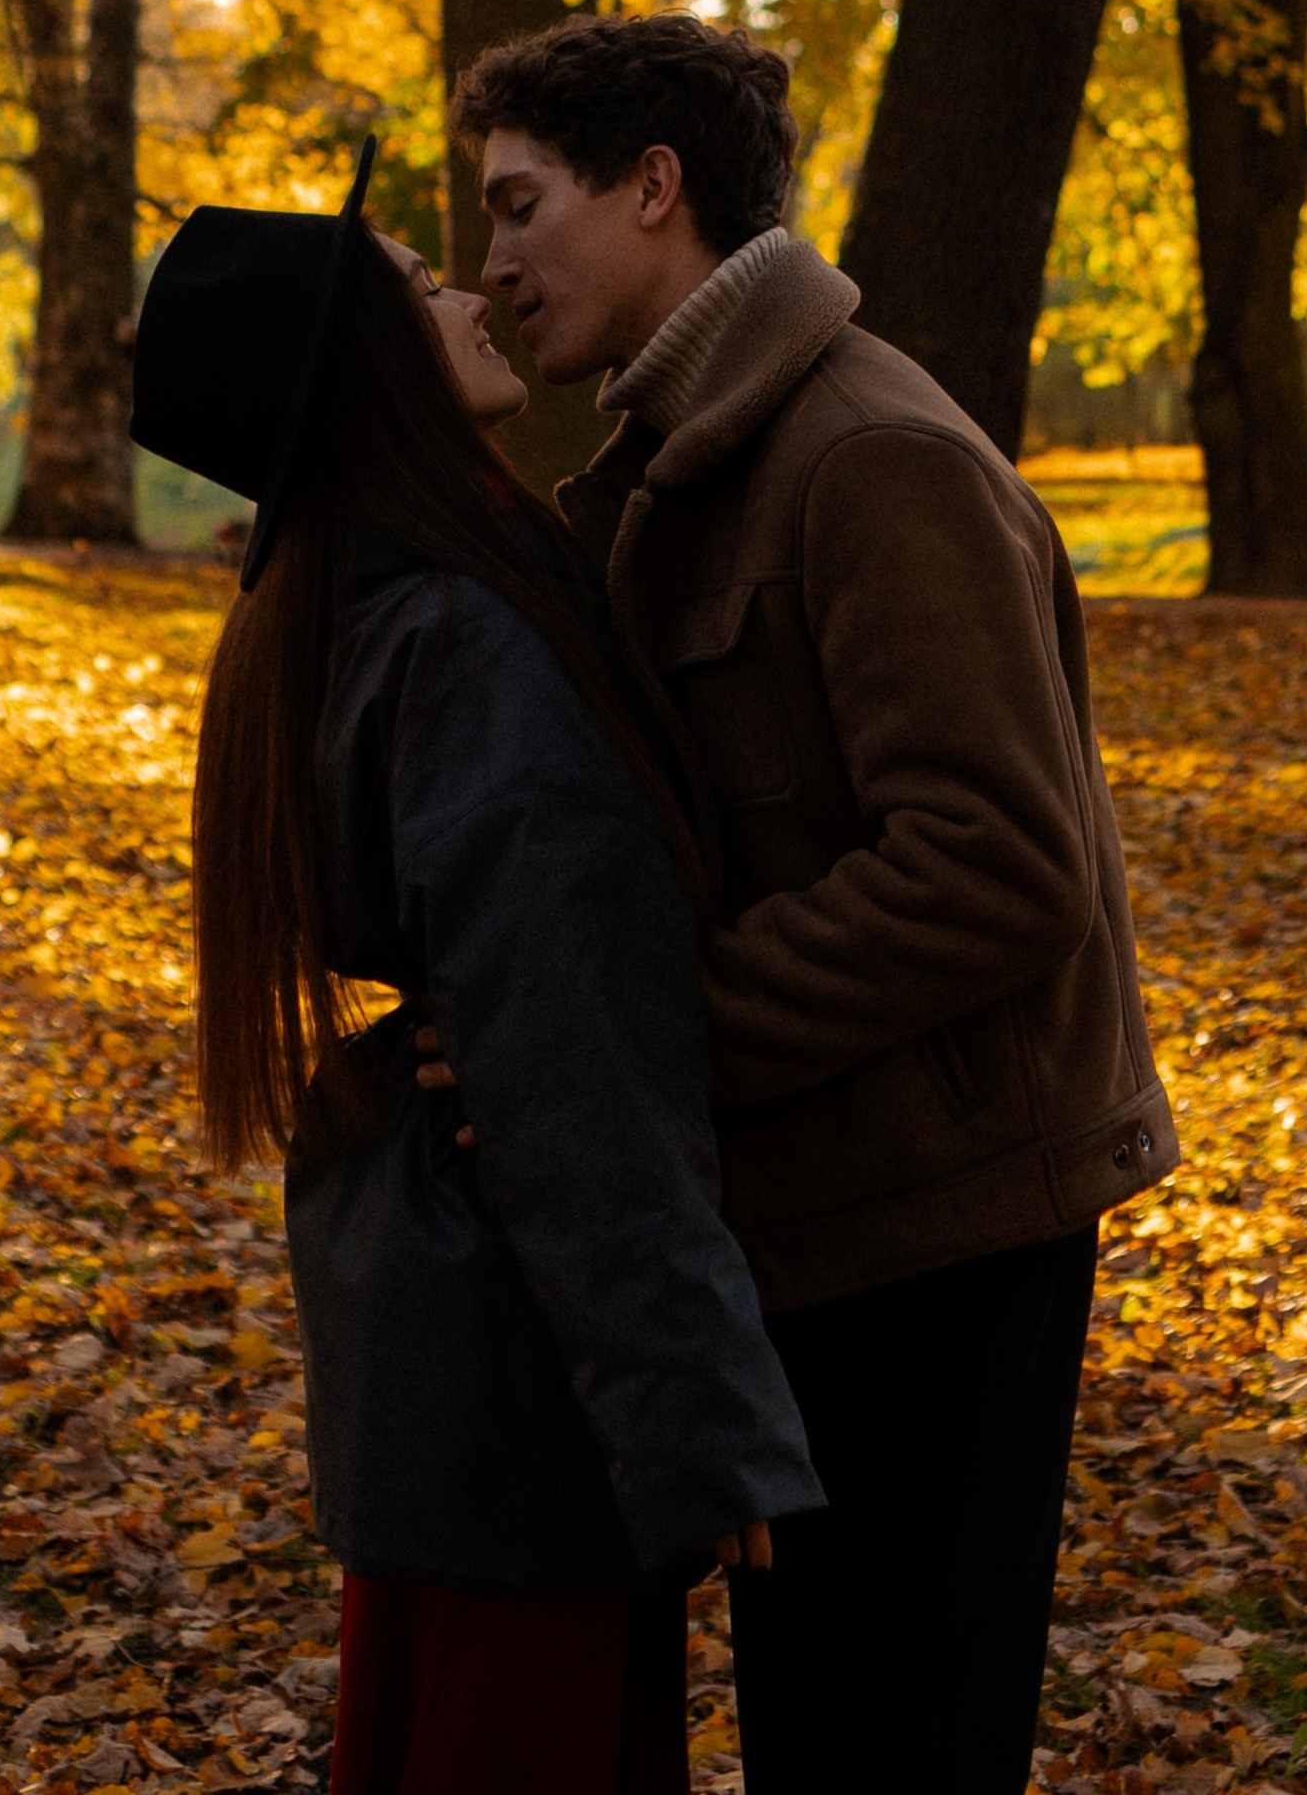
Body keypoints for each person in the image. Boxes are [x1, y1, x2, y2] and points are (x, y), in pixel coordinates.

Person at [435, 15, 1177, 1795]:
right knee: (826, 1734)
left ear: (656, 189)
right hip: (832, 1214)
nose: (494, 261)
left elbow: (1001, 870)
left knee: (892, 1741)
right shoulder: (693, 456)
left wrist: (654, 1037)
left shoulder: (864, 458)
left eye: (522, 204)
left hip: (945, 1237)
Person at [135, 135, 821, 1795]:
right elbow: (574, 1064)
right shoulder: (461, 638)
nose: (460, 285)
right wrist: (702, 1422)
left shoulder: (353, 608)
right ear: (368, 362)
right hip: (519, 1397)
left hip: (448, 1363)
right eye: (411, 282)